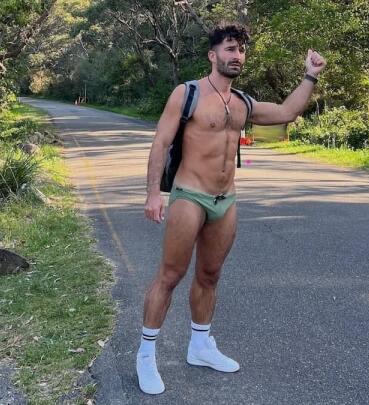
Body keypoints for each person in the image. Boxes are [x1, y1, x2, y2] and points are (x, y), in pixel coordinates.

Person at [137, 22, 327, 395]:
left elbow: (288, 112)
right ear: (213, 55)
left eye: (240, 50)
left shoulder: (243, 103)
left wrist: (310, 76)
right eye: (229, 49)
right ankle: (145, 354)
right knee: (171, 275)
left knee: (209, 275)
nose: (236, 55)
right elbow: (160, 143)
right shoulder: (187, 94)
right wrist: (152, 194)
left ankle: (201, 346)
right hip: (189, 195)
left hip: (226, 200)